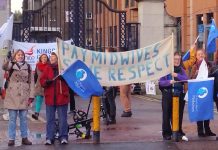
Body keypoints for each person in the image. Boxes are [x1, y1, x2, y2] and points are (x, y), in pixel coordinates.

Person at [2, 49, 34, 146]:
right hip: (12, 95)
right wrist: (8, 59)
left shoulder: (28, 66)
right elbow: (4, 67)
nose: (20, 56)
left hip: (24, 95)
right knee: (12, 118)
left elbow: (31, 81)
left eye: (22, 55)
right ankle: (11, 138)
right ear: (15, 56)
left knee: (23, 118)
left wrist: (31, 96)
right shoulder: (11, 65)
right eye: (18, 55)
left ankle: (24, 138)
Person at [40, 52, 70, 145]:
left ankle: (63, 136)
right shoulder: (47, 68)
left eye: (54, 57)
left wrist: (64, 79)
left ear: (58, 59)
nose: (52, 59)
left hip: (62, 97)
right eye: (51, 57)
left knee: (62, 119)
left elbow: (70, 80)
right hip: (50, 98)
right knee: (50, 119)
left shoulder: (63, 69)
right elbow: (42, 80)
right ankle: (49, 137)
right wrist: (46, 82)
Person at [159, 52, 188, 140]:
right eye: (175, 59)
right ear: (172, 60)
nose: (177, 61)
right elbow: (161, 82)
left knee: (179, 114)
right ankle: (167, 133)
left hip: (179, 95)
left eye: (179, 59)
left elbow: (186, 79)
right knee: (166, 114)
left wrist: (177, 75)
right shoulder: (166, 70)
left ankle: (177, 131)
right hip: (168, 94)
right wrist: (168, 82)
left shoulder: (181, 70)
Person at [190, 48, 216, 137]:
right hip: (198, 92)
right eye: (198, 54)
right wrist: (196, 74)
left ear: (204, 55)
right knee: (200, 110)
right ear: (196, 56)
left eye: (202, 54)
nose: (200, 55)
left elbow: (213, 76)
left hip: (208, 91)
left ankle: (207, 129)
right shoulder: (194, 66)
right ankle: (200, 131)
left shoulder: (209, 65)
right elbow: (191, 79)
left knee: (207, 110)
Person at [32, 54, 49, 120]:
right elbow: (35, 75)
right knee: (39, 99)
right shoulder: (38, 65)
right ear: (40, 59)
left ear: (47, 58)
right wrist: (34, 84)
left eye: (45, 57)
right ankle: (36, 113)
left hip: (47, 84)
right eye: (42, 57)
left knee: (48, 101)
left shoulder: (49, 66)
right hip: (39, 85)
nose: (44, 58)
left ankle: (49, 114)